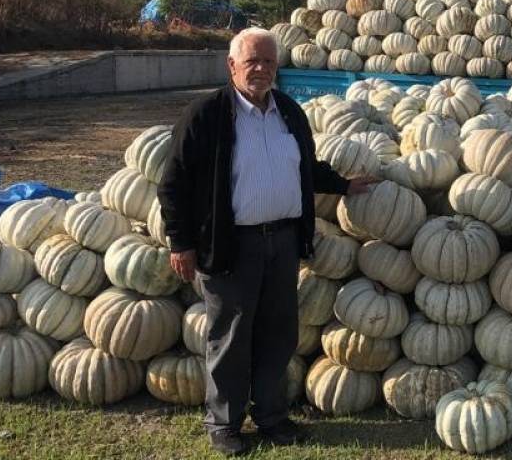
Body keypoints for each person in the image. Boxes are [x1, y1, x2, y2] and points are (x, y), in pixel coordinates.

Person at [157, 29, 372, 456]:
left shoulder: (289, 111)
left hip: (283, 240)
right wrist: (180, 241)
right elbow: (173, 182)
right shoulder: (207, 114)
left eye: (269, 62)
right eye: (252, 61)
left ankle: (272, 416)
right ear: (231, 66)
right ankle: (225, 423)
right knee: (231, 336)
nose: (261, 70)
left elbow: (304, 167)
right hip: (231, 244)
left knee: (278, 334)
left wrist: (343, 186)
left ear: (277, 67)